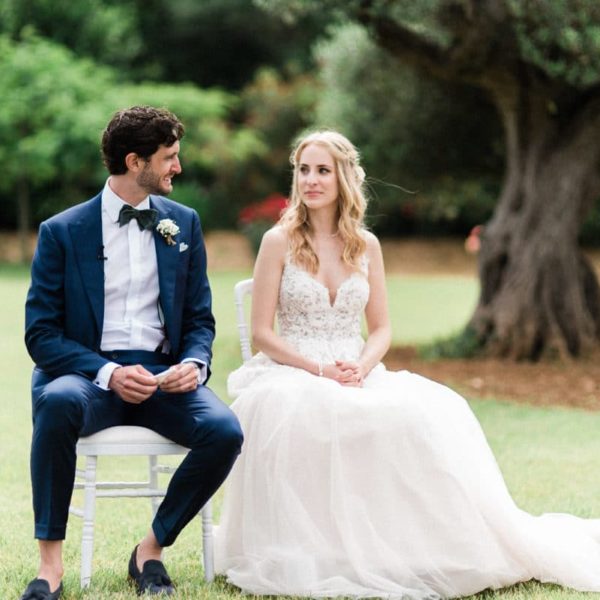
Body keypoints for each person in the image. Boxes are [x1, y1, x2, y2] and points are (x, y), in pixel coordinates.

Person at [214, 129, 600, 599]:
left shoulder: (366, 245)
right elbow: (262, 335)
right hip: (292, 371)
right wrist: (318, 371)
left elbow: (380, 329)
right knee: (308, 413)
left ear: (343, 178)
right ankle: (319, 547)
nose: (310, 180)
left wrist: (359, 366)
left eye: (322, 170)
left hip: (356, 367)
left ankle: (403, 547)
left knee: (431, 412)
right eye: (303, 170)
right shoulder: (277, 241)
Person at [21, 105, 243, 600]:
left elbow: (200, 319)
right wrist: (107, 373)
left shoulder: (183, 224)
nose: (177, 168)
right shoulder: (61, 231)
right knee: (56, 403)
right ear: (134, 161)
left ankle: (150, 551)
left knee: (224, 431)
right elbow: (41, 334)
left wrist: (194, 362)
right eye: (169, 158)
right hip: (87, 375)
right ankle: (50, 568)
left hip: (165, 375)